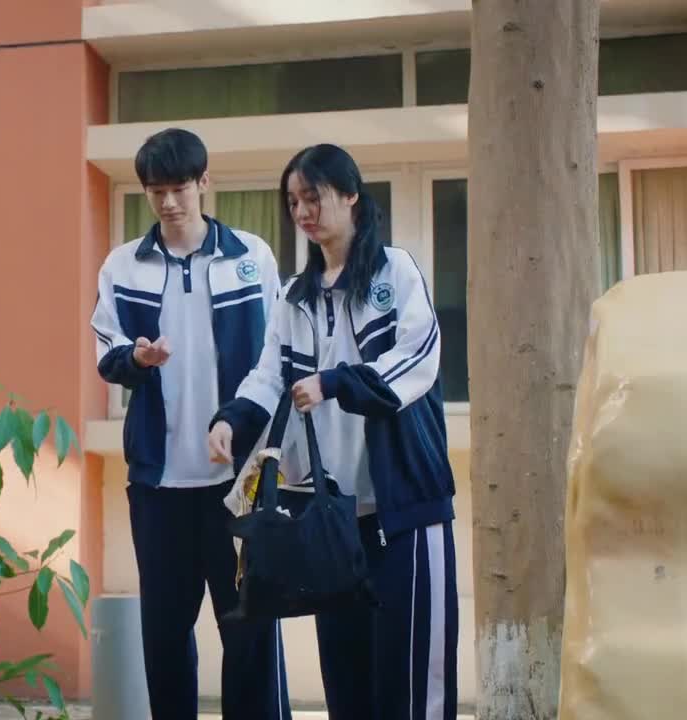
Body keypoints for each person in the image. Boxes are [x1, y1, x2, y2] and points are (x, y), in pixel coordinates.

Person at [208, 143, 459, 719]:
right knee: (347, 681)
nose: (302, 211)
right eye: (293, 201)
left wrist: (334, 382)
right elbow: (269, 375)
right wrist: (231, 418)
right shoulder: (293, 296)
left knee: (415, 681)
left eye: (313, 197)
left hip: (405, 509)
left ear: (350, 196)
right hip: (332, 522)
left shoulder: (395, 271)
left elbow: (417, 357)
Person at [90, 128, 291, 719]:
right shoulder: (123, 265)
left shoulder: (251, 257)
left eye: (179, 188)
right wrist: (137, 359)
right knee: (165, 637)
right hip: (159, 484)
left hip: (239, 481)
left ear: (205, 182)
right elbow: (107, 353)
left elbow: (276, 359)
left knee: (249, 633)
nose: (169, 202)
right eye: (156, 191)